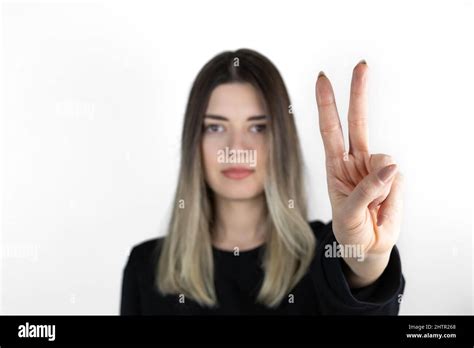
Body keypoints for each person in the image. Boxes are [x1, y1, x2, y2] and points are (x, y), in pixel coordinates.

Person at [120, 48, 405, 315]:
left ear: (281, 140)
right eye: (216, 127)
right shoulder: (145, 268)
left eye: (257, 127)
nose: (236, 147)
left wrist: (368, 259)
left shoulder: (327, 254)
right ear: (194, 140)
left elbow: (359, 287)